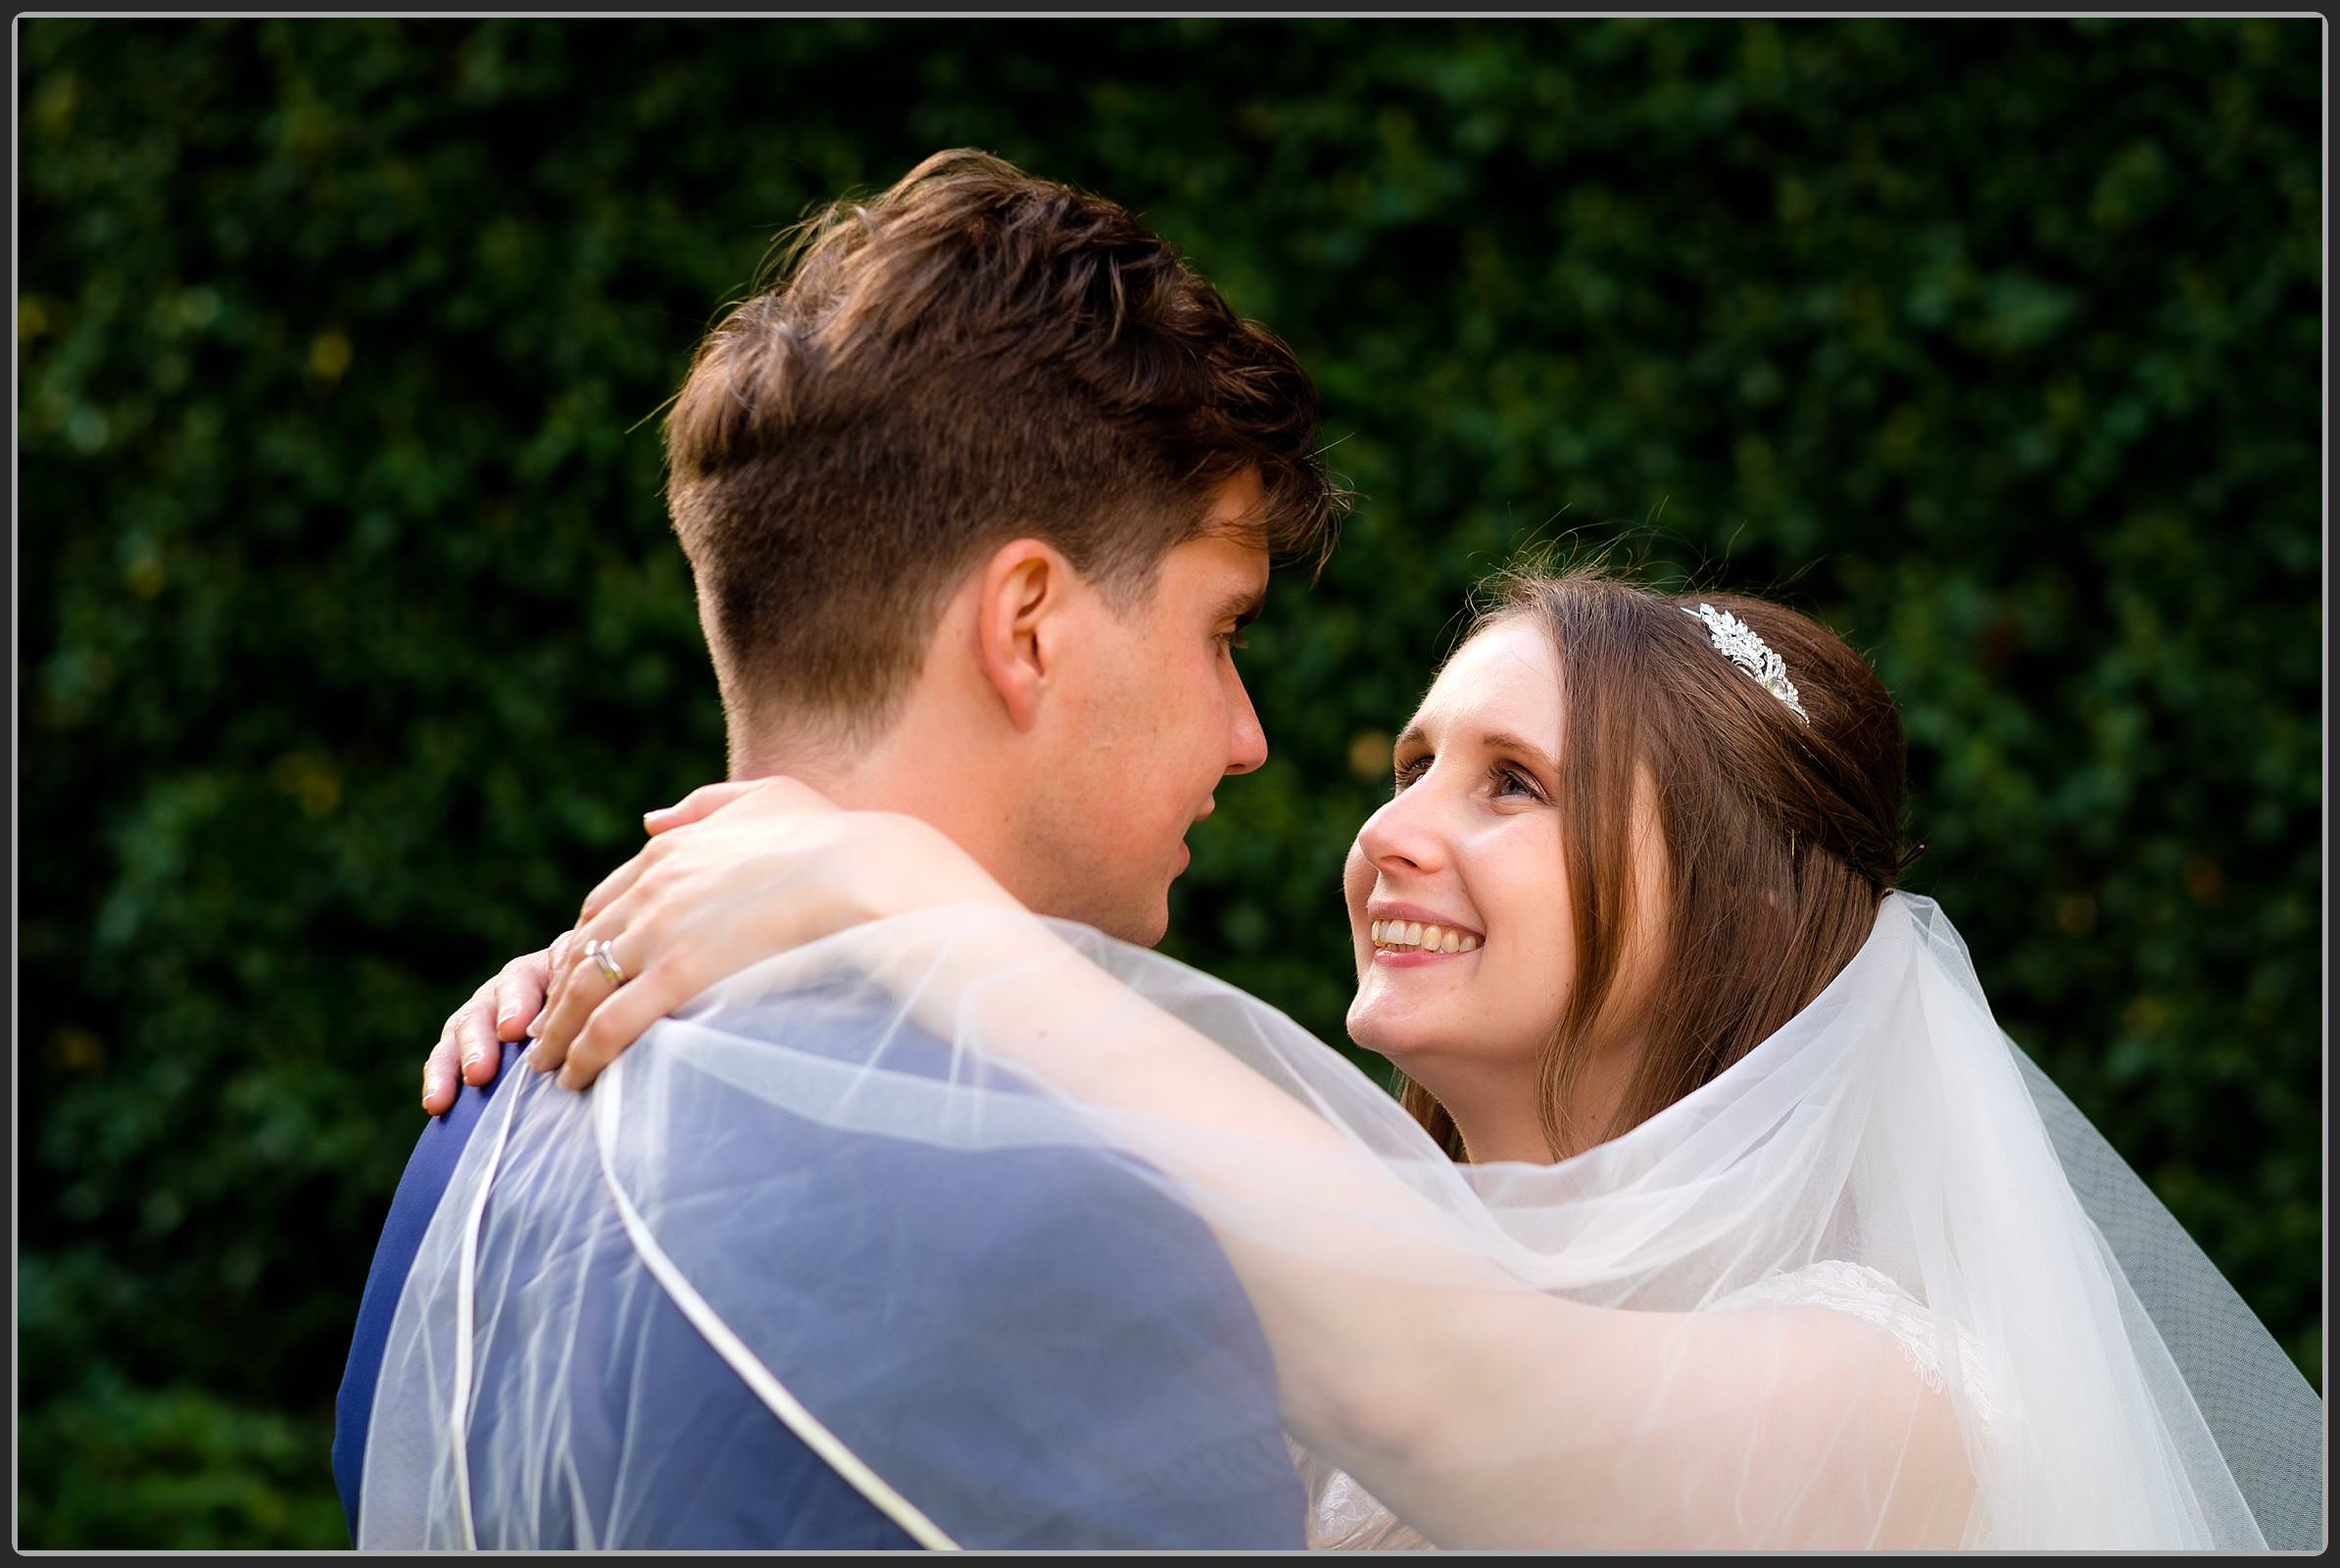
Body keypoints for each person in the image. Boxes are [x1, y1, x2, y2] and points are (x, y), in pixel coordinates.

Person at [429, 568, 2324, 1549]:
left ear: (1735, 905)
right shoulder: (1320, 1251)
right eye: (1412, 765)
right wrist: (670, 998)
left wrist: (929, 910)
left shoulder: (1894, 1398)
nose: (1396, 831)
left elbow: (1455, 1391)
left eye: (1515, 787)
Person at [335, 147, 1347, 1549]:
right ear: (1029, 629)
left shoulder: (475, 1124)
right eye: (1223, 630)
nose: (1249, 736)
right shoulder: (1074, 1216)